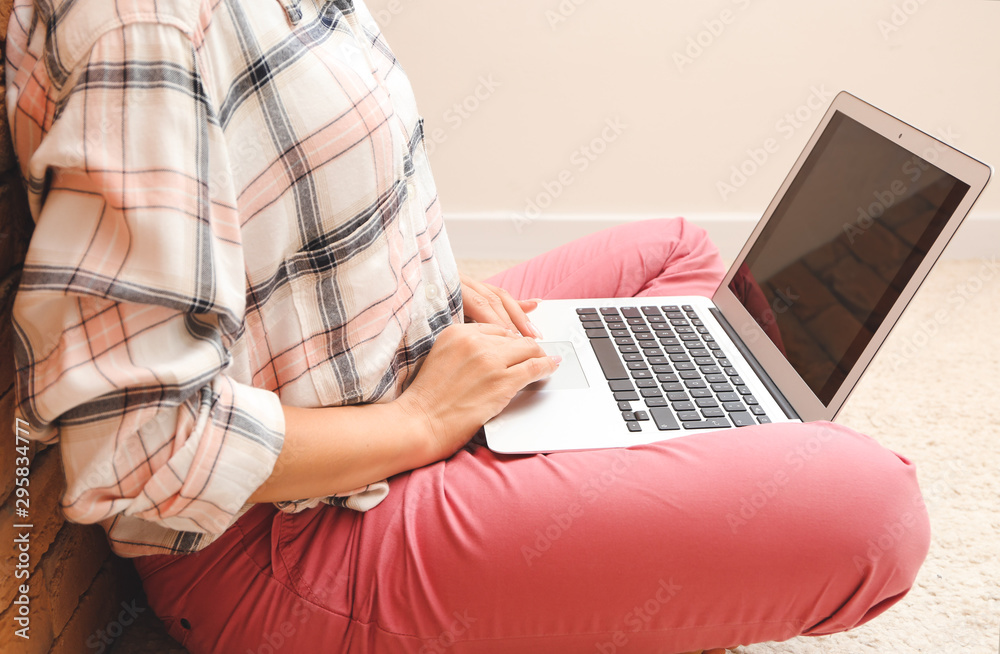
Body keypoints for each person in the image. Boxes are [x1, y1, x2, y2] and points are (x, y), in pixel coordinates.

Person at [4, 0, 930, 652]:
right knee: (875, 515)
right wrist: (420, 425)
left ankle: (611, 448)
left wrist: (441, 291)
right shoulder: (144, 26)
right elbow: (138, 449)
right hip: (295, 534)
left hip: (395, 365)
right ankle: (620, 476)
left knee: (676, 253)